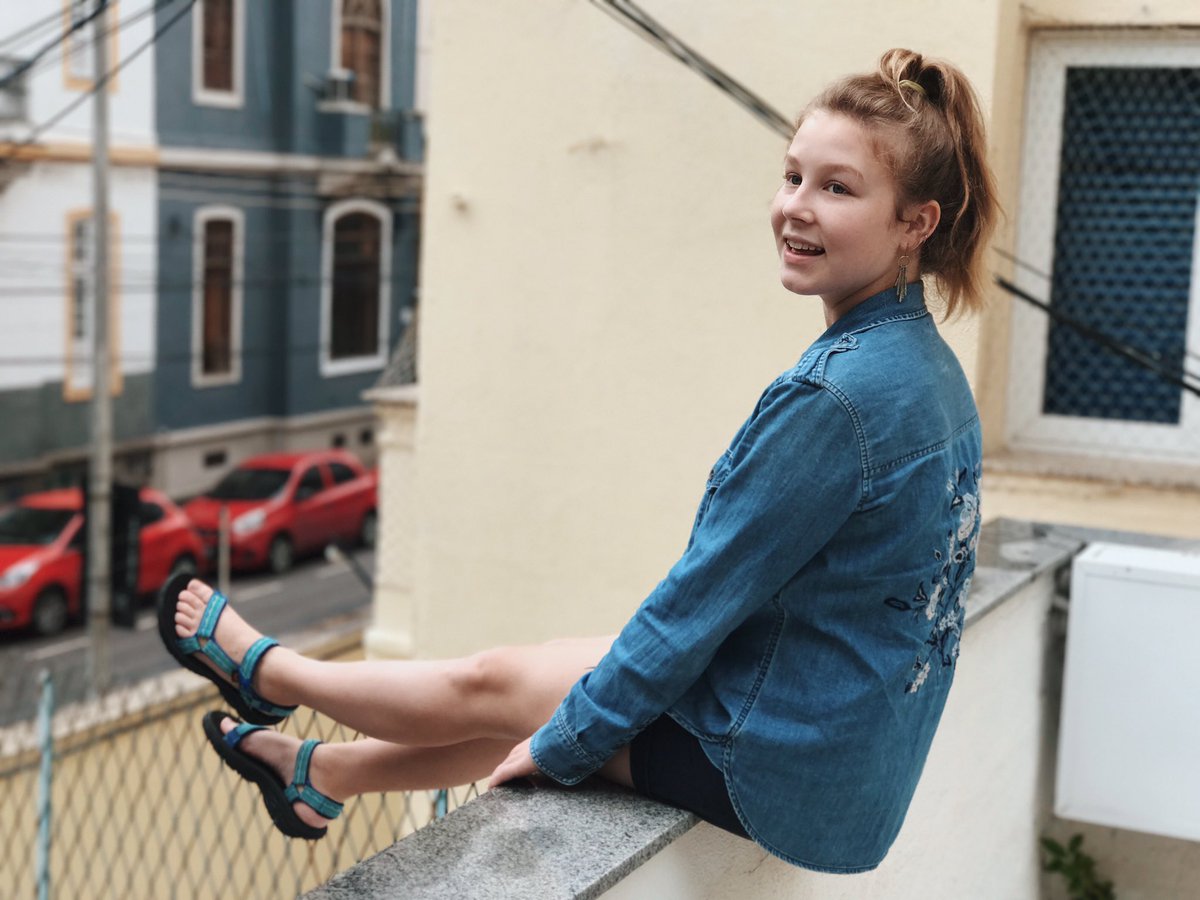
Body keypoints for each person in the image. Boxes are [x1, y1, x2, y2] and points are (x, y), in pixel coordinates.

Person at [159, 47, 997, 872]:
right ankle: (321, 773)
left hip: (782, 769)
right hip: (846, 762)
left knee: (504, 683)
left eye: (838, 188)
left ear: (915, 223)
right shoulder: (928, 370)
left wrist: (566, 746)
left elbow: (693, 607)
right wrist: (579, 716)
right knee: (557, 672)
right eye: (792, 176)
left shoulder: (835, 399)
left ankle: (273, 673)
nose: (797, 208)